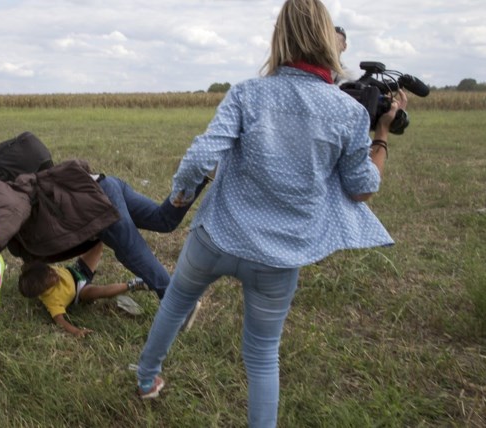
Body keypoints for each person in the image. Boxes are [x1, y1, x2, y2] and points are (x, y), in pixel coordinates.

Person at [134, 0, 408, 426]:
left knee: (174, 304)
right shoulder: (350, 112)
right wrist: (383, 133)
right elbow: (362, 190)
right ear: (327, 41)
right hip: (278, 258)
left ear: (280, 37)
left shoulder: (247, 92)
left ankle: (147, 379)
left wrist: (180, 196)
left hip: (215, 236)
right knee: (262, 355)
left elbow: (201, 156)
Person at [0, 158, 209, 302]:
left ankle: (177, 302)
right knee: (163, 220)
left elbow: (9, 217)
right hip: (103, 184)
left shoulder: (9, 205)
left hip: (95, 203)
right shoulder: (22, 230)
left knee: (131, 250)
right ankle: (199, 175)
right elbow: (34, 262)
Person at [18, 242, 148, 337]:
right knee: (98, 292)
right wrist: (77, 331)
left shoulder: (41, 272)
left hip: (77, 271)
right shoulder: (52, 300)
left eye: (50, 269)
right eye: (50, 277)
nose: (54, 272)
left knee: (97, 245)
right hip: (81, 291)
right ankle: (133, 284)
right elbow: (60, 321)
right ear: (44, 288)